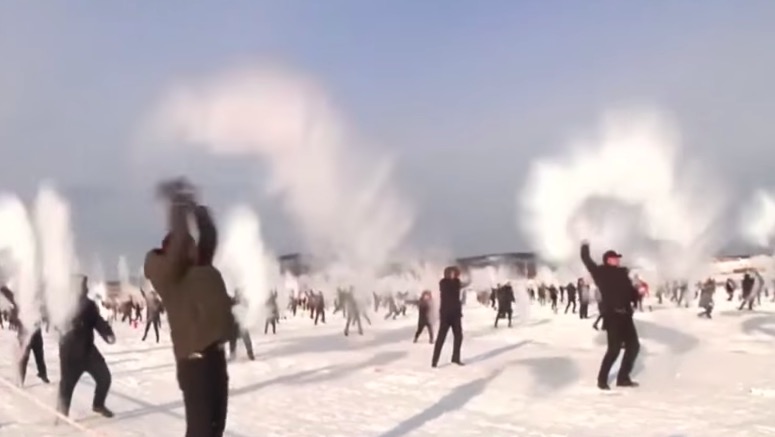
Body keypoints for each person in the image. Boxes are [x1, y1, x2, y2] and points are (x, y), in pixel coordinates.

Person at [144, 178, 235, 437]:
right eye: (189, 247)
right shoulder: (171, 277)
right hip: (195, 365)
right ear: (178, 251)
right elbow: (183, 236)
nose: (195, 249)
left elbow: (208, 236)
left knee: (215, 429)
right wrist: (178, 205)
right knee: (201, 432)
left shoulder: (199, 268)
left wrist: (197, 209)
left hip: (215, 360)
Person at [580, 241, 640, 390]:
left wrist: (636, 293)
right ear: (608, 260)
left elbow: (630, 292)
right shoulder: (600, 273)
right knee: (614, 349)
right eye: (615, 258)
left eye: (618, 258)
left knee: (634, 346)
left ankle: (623, 378)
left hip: (626, 316)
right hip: (612, 316)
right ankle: (602, 380)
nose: (618, 260)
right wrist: (585, 245)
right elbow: (587, 260)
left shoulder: (623, 274)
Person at [57, 276, 116, 418]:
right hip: (70, 353)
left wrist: (107, 333)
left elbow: (97, 321)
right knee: (67, 386)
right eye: (84, 286)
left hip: (88, 351)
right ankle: (61, 415)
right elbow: (55, 322)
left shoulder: (89, 304)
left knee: (105, 378)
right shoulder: (62, 303)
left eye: (86, 286)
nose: (87, 289)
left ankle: (98, 404)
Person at [0, 286, 49, 385]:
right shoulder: (21, 302)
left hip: (34, 332)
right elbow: (12, 299)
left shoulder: (31, 303)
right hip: (26, 332)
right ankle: (23, 378)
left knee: (37, 355)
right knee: (27, 356)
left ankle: (42, 375)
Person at [431, 266, 464, 368]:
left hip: (456, 315)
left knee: (459, 336)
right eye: (453, 273)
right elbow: (452, 286)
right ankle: (434, 361)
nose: (455, 275)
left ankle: (456, 358)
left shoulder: (456, 282)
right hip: (446, 315)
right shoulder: (443, 283)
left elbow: (458, 284)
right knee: (441, 338)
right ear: (448, 273)